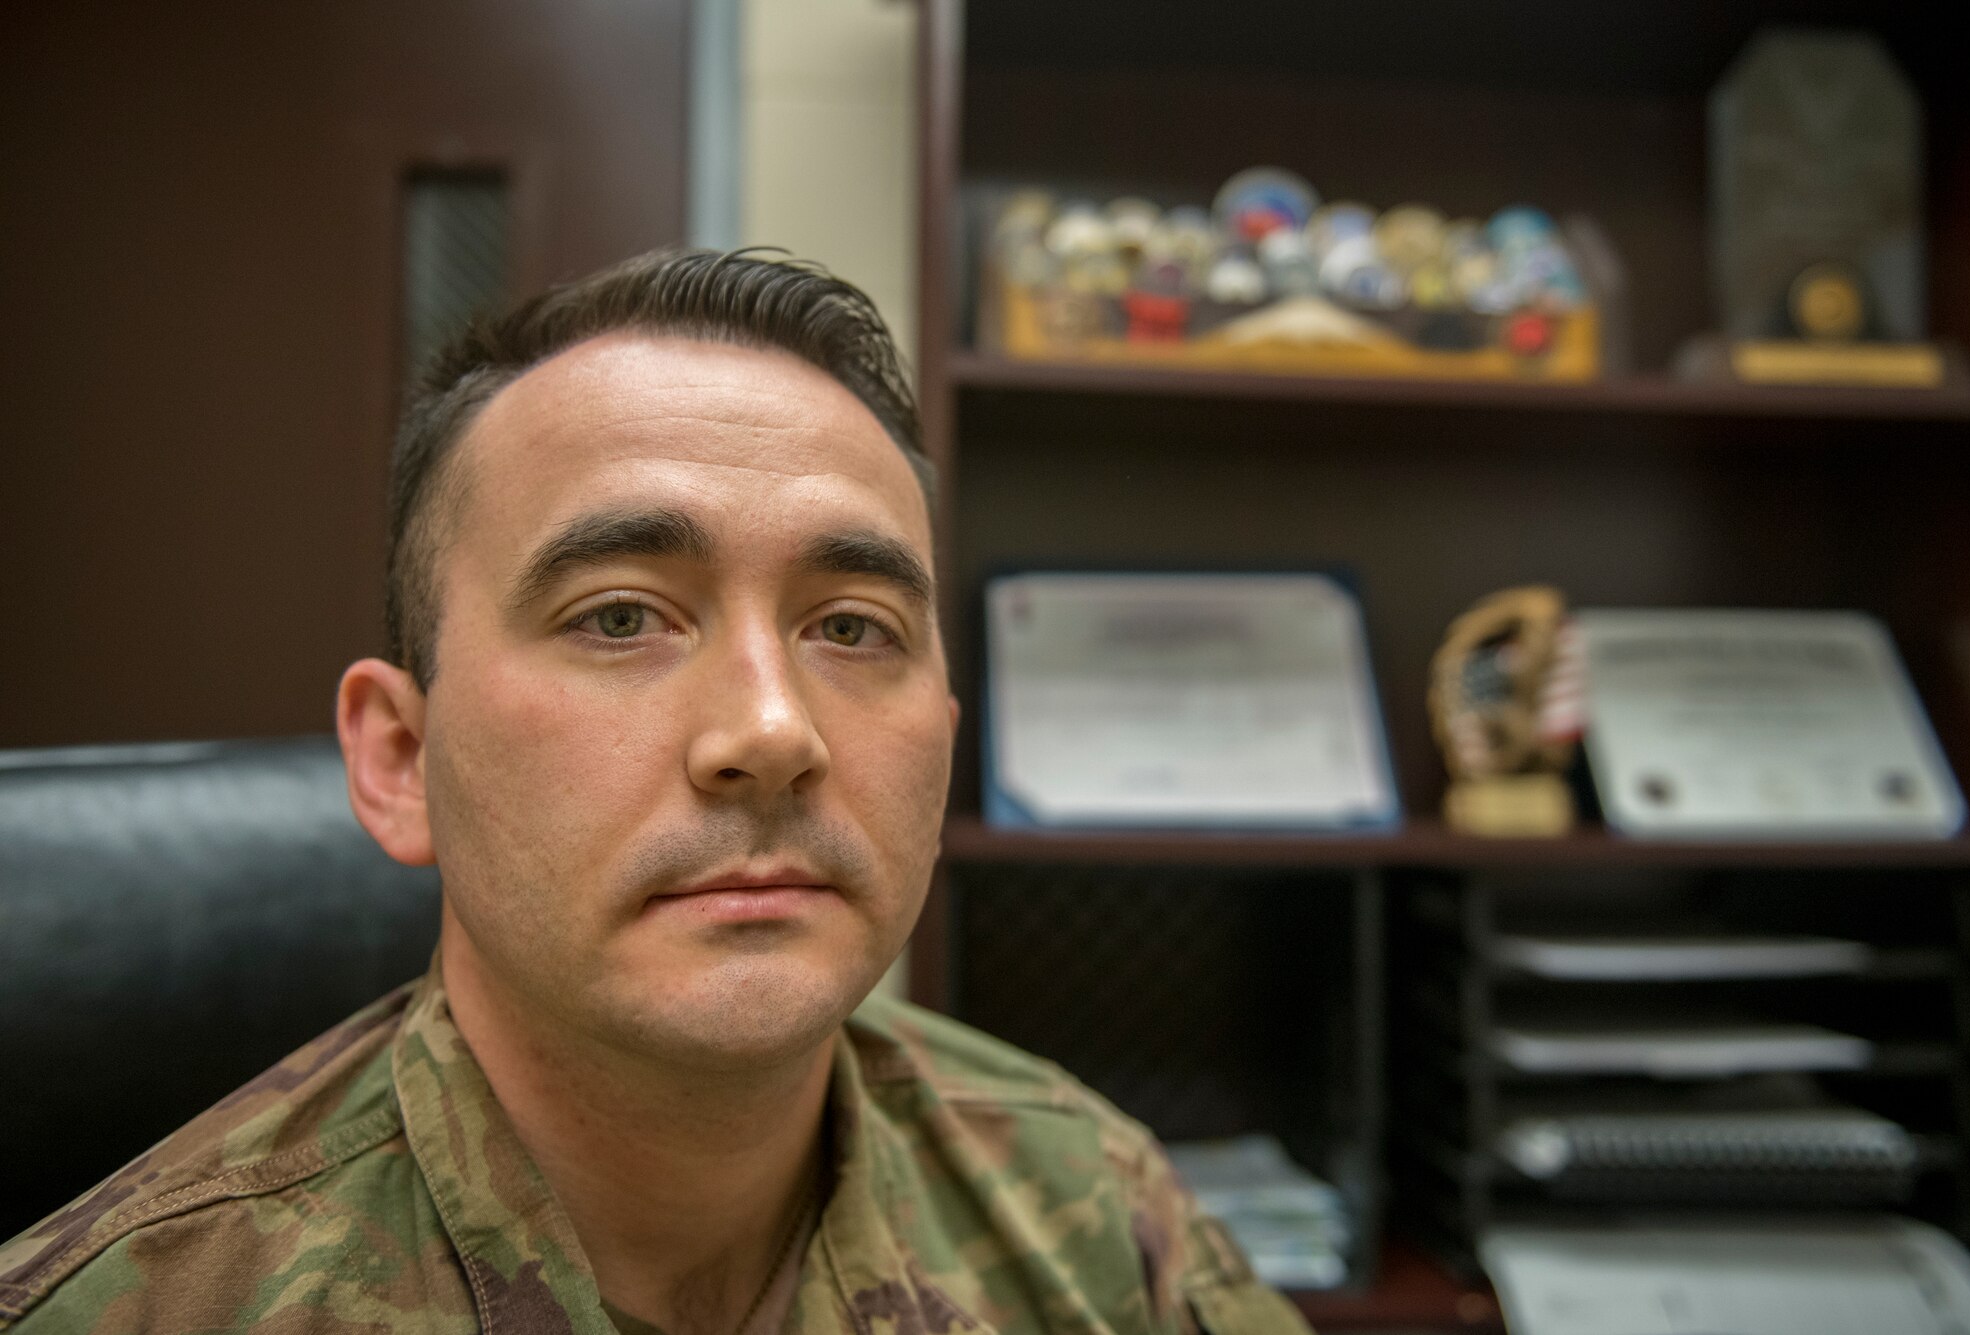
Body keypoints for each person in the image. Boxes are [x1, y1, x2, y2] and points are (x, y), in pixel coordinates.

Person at [0, 250, 1313, 1334]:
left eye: (852, 628)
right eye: (621, 615)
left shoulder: (1093, 1211)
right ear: (399, 760)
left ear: (946, 738)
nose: (771, 729)